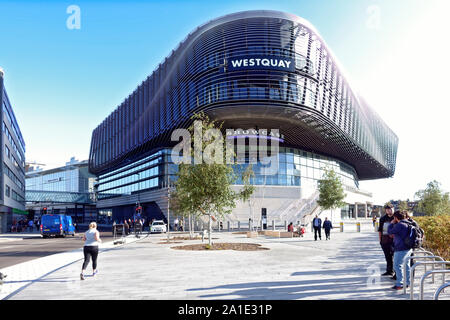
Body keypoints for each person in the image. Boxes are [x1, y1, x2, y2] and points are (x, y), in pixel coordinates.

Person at [388, 211, 412, 290]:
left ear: (396, 217)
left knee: (397, 265)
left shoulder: (400, 225)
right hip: (408, 248)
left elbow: (389, 231)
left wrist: (391, 224)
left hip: (400, 248)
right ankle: (408, 283)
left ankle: (399, 284)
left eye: (394, 217)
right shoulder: (408, 223)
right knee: (407, 265)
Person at [378, 203, 395, 278]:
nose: (389, 211)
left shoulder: (396, 217)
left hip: (394, 241)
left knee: (395, 257)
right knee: (387, 256)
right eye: (387, 210)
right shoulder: (382, 218)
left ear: (393, 209)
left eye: (390, 209)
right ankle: (389, 270)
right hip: (385, 241)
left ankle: (396, 273)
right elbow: (380, 230)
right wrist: (380, 240)